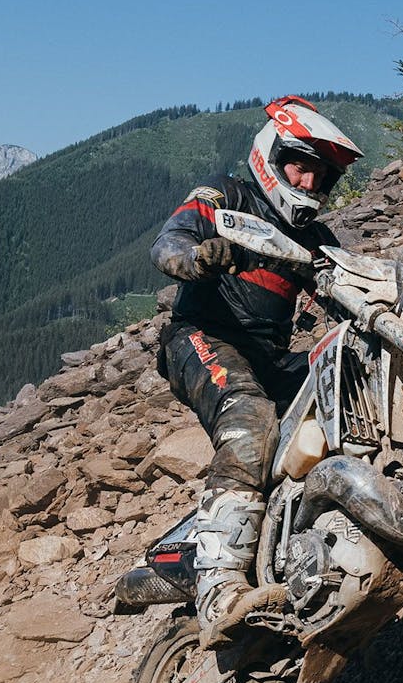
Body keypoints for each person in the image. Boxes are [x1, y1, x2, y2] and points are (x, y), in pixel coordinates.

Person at [151, 95, 362, 647]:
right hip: (201, 338)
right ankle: (218, 584)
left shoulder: (315, 239)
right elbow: (167, 242)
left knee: (347, 382)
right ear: (272, 154)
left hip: (269, 356)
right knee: (250, 421)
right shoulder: (226, 194)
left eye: (322, 174)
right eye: (301, 163)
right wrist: (197, 258)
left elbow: (347, 290)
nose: (310, 179)